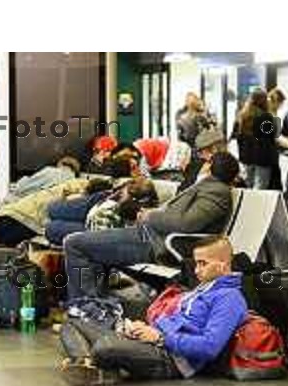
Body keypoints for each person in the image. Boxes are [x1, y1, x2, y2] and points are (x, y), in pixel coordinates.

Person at [59, 235, 248, 386]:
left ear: (223, 265)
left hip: (173, 360)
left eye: (202, 263)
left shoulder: (229, 298)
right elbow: (175, 321)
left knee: (106, 346)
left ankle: (94, 366)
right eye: (196, 263)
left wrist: (159, 338)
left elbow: (209, 347)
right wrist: (145, 329)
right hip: (157, 342)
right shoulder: (204, 287)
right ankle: (90, 365)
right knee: (72, 324)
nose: (196, 270)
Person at [64, 151, 240, 300]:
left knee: (75, 244)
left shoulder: (216, 191)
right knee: (83, 245)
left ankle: (85, 309)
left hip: (155, 243)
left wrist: (147, 215)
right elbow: (178, 217)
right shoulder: (205, 186)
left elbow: (184, 224)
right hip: (148, 235)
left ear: (209, 166)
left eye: (206, 161)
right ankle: (94, 308)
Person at [45, 178, 158, 245]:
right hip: (97, 209)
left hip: (95, 225)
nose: (121, 193)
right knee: (52, 210)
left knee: (51, 226)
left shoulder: (116, 212)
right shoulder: (113, 199)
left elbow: (99, 241)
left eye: (123, 193)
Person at [232, 89, 279, 190]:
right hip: (263, 158)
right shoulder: (266, 117)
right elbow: (271, 139)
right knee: (260, 188)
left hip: (246, 157)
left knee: (247, 185)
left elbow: (237, 137)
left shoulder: (241, 116)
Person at [177, 127, 225, 193]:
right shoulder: (194, 166)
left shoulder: (224, 166)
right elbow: (182, 189)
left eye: (201, 151)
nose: (200, 155)